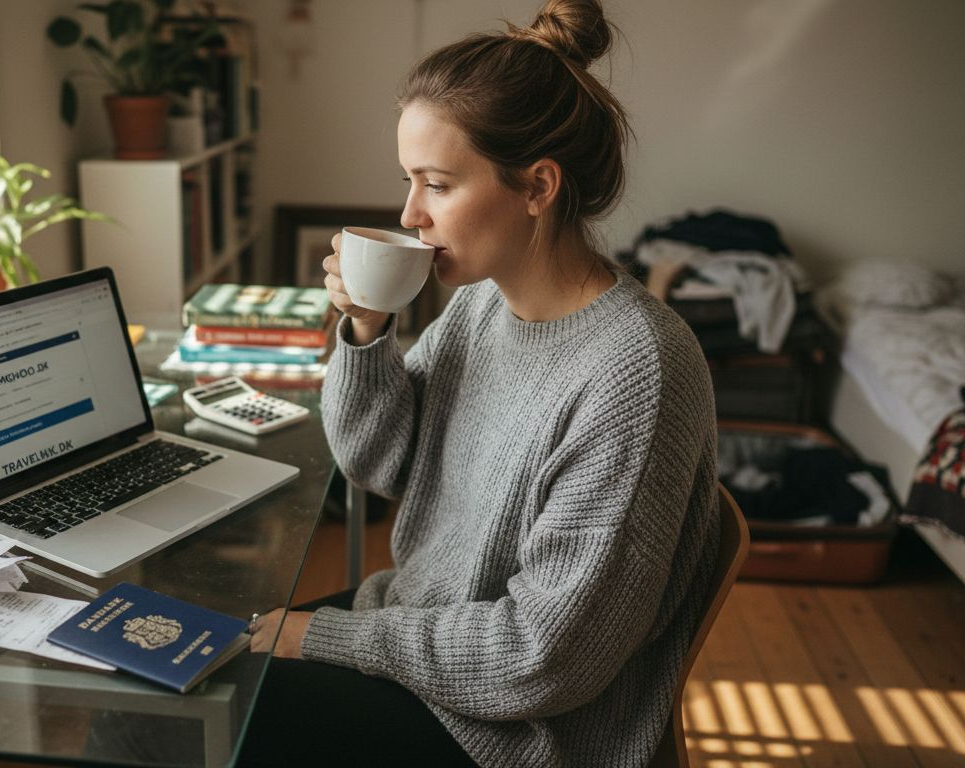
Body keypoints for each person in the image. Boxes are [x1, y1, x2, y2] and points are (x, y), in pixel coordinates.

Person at [241, 1, 718, 766]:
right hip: (420, 635)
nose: (409, 215)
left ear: (537, 186)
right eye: (408, 181)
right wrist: (366, 331)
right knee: (185, 672)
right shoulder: (479, 306)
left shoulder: (636, 373)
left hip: (517, 732)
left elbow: (543, 656)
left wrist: (329, 636)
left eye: (437, 184)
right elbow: (376, 463)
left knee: (215, 721)